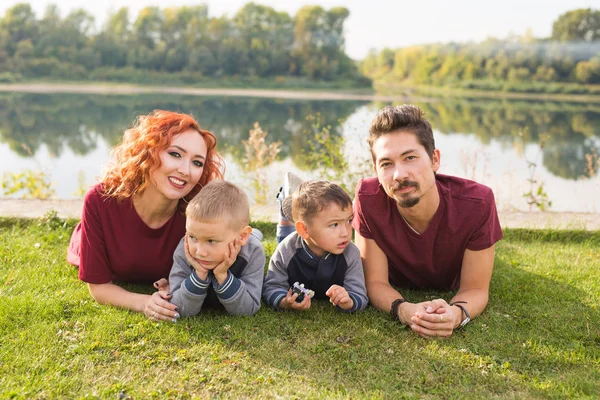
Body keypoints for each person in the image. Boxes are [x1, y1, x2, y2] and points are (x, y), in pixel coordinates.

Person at [352, 104, 503, 338]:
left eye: (410, 157)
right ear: (376, 170)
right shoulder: (367, 198)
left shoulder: (477, 203)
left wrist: (456, 314)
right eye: (386, 164)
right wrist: (405, 310)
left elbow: (475, 288)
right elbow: (374, 282)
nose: (399, 174)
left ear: (434, 159)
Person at [67, 110, 224, 322]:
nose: (185, 171)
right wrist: (145, 302)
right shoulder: (100, 201)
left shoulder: (197, 211)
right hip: (89, 239)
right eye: (175, 154)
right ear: (148, 152)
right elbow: (98, 287)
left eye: (197, 162)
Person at [263, 180, 368, 312]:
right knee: (284, 235)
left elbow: (359, 294)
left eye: (348, 221)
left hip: (304, 233)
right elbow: (271, 287)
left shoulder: (351, 253)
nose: (346, 233)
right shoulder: (285, 251)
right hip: (296, 237)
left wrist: (349, 301)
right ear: (304, 230)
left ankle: (289, 205)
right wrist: (284, 302)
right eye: (334, 224)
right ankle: (284, 204)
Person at [168, 180, 265, 316]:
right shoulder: (184, 248)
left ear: (242, 237)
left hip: (249, 241)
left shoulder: (253, 252)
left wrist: (222, 276)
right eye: (193, 236)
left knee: (255, 239)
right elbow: (178, 308)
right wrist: (199, 275)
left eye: (211, 241)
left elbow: (248, 309)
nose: (200, 252)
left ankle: (255, 234)